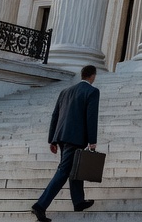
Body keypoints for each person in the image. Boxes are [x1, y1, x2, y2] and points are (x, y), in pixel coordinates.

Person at [32, 65, 99, 221]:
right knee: (63, 171)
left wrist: (52, 139)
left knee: (74, 168)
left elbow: (55, 115)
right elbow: (91, 117)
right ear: (93, 76)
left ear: (82, 75)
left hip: (61, 136)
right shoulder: (92, 91)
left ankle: (79, 201)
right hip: (76, 138)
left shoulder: (65, 91)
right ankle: (40, 206)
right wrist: (92, 141)